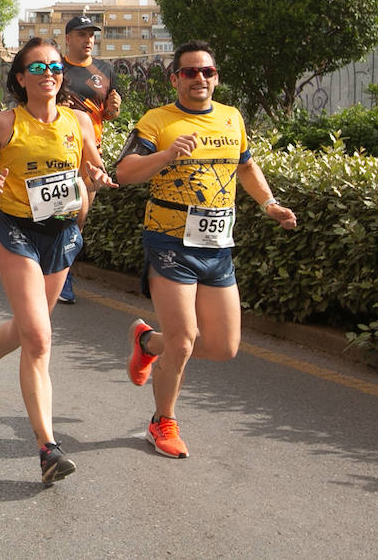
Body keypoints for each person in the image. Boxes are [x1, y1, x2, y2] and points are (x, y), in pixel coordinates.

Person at [115, 40, 298, 459]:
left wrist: (269, 204)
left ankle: (147, 343)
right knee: (183, 342)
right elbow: (123, 173)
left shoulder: (232, 118)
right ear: (175, 77)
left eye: (207, 72)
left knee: (222, 346)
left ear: (216, 77)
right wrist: (165, 154)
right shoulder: (157, 121)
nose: (200, 78)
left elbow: (246, 166)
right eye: (190, 72)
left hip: (217, 245)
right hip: (169, 242)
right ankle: (162, 421)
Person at [0, 37, 114, 484]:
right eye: (38, 68)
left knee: (31, 328)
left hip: (62, 233)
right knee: (40, 340)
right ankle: (47, 447)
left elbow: (92, 166)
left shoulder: (80, 121)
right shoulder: (4, 123)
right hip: (15, 231)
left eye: (54, 67)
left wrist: (98, 176)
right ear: (21, 78)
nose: (49, 73)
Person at [56, 14, 122, 304]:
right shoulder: (55, 67)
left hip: (90, 151)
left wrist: (113, 109)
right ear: (68, 38)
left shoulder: (105, 70)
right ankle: (47, 270)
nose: (88, 40)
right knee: (58, 214)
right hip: (58, 149)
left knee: (79, 216)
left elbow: (109, 112)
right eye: (82, 34)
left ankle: (64, 276)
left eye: (92, 35)